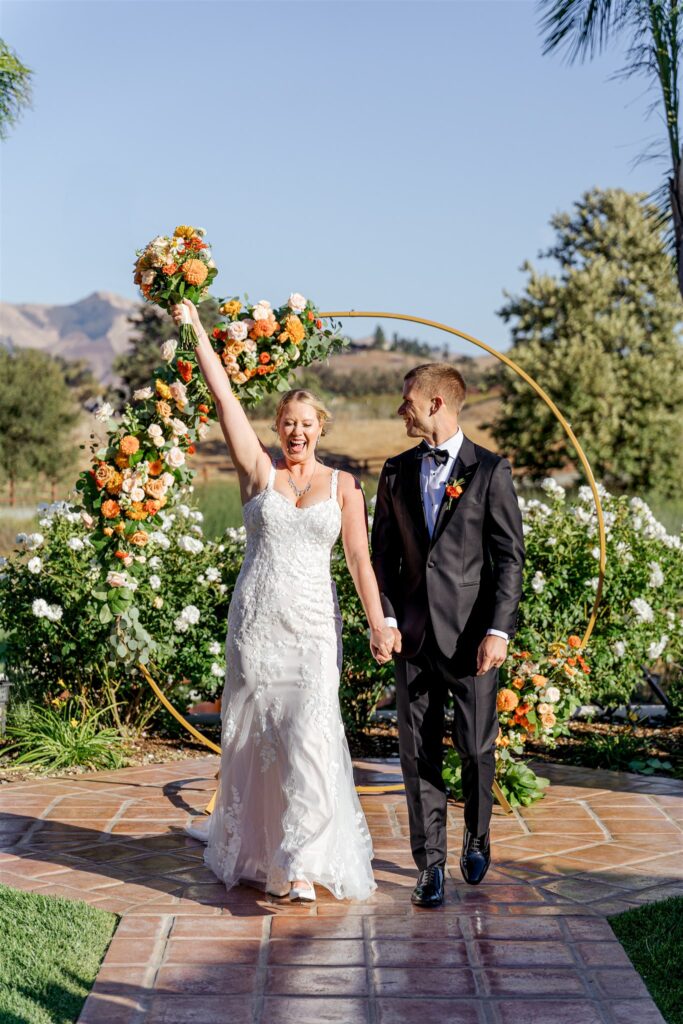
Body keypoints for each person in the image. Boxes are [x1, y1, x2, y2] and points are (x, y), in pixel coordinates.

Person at [170, 298, 392, 903]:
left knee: (312, 735)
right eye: (287, 423)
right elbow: (224, 401)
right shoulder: (258, 474)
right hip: (258, 627)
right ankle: (263, 849)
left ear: (321, 428)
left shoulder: (345, 486)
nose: (296, 432)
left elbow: (358, 559)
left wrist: (379, 621)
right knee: (257, 739)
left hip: (316, 629)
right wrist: (196, 333)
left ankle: (301, 860)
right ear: (277, 429)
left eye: (306, 423)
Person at [371, 363, 524, 906]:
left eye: (407, 399)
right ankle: (429, 865)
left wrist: (498, 631)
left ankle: (477, 834)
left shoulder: (490, 471)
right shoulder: (393, 471)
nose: (400, 409)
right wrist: (387, 620)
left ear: (437, 403)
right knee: (417, 755)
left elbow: (508, 559)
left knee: (477, 748)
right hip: (412, 640)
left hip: (471, 643)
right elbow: (381, 557)